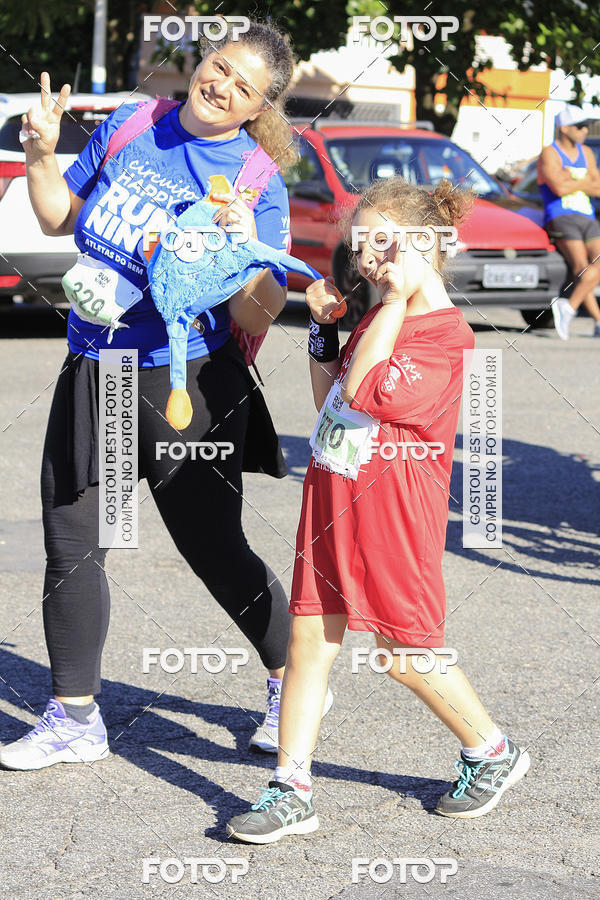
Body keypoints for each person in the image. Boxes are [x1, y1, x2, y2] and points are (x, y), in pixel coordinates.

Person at [0, 21, 331, 771]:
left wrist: (246, 251)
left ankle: (292, 680)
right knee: (74, 543)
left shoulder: (254, 181)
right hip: (96, 367)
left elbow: (256, 313)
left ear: (259, 108)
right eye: (219, 68)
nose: (221, 86)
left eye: (243, 87)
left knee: (212, 547)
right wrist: (41, 151)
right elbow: (60, 218)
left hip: (187, 383)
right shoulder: (131, 123)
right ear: (201, 62)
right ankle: (74, 717)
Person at [226, 178, 531, 844]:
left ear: (425, 244)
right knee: (308, 641)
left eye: (381, 242)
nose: (365, 257)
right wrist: (323, 329)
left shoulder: (447, 338)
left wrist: (391, 301)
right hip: (332, 498)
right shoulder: (377, 317)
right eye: (358, 244)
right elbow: (331, 398)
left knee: (405, 655)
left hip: (394, 514)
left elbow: (365, 392)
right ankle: (291, 786)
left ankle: (492, 750)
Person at [538, 104, 600, 339]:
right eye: (580, 126)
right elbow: (558, 187)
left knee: (591, 270)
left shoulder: (587, 153)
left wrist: (572, 180)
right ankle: (596, 321)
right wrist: (584, 181)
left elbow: (597, 186)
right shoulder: (550, 153)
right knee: (581, 269)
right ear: (564, 128)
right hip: (561, 216)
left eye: (587, 126)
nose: (586, 130)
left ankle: (568, 306)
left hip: (587, 215)